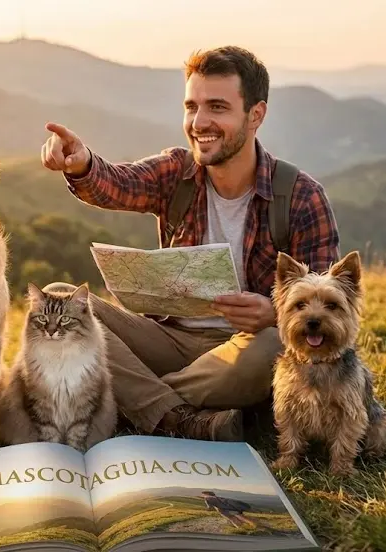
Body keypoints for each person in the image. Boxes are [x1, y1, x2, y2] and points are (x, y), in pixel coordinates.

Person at [40, 46, 340, 441]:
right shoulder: (176, 172)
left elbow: (327, 305)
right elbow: (118, 183)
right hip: (168, 338)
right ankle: (179, 417)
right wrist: (82, 164)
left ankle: (135, 398)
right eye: (191, 107)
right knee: (60, 299)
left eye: (217, 107)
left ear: (256, 115)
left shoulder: (301, 197)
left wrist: (274, 312)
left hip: (242, 350)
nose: (199, 122)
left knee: (272, 347)